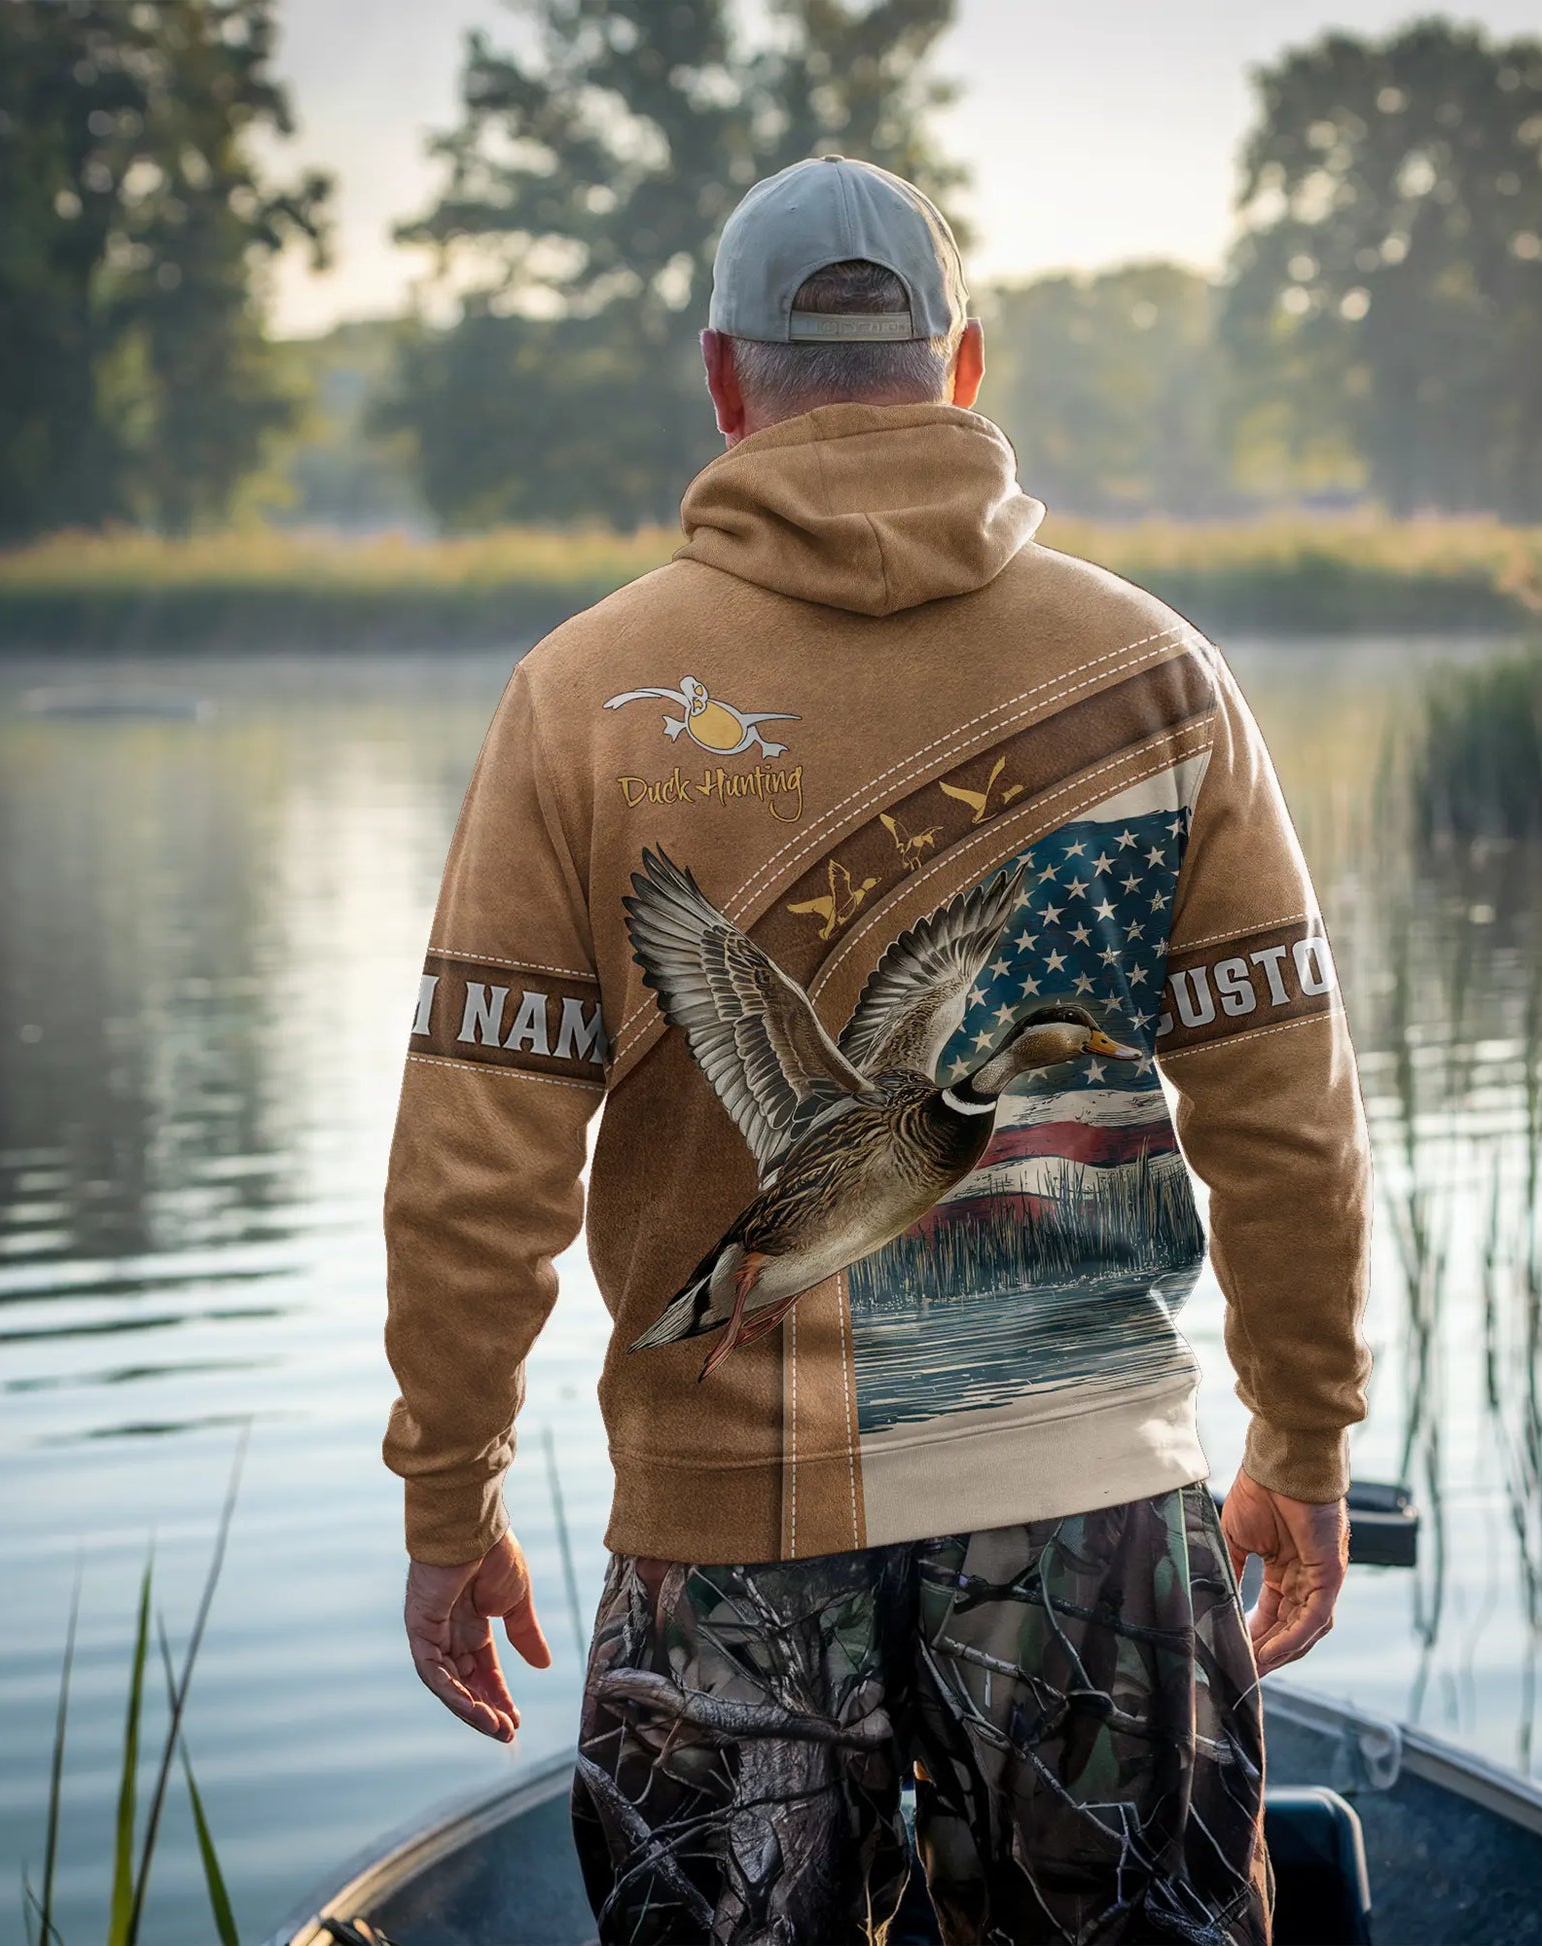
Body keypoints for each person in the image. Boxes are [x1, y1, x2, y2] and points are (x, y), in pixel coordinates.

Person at [383, 155, 1370, 1945]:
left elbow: (477, 1160)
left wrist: (449, 1489)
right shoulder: (1158, 674)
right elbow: (1286, 1112)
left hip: (725, 1535)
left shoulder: (581, 694)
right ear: (965, 362)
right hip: (1092, 1517)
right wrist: (1304, 1430)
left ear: (723, 379)